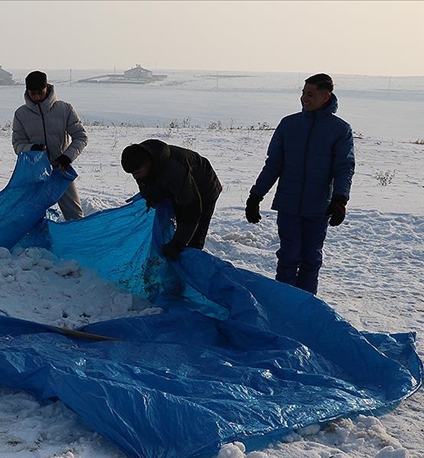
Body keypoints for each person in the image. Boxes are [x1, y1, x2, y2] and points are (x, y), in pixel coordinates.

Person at [245, 73, 355, 295]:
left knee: (311, 258)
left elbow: (344, 167)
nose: (305, 98)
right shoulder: (289, 125)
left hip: (319, 206)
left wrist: (340, 199)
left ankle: (306, 307)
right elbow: (273, 164)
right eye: (304, 93)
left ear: (326, 96)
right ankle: (285, 304)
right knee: (288, 256)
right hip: (289, 204)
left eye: (311, 94)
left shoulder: (340, 130)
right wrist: (256, 196)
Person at [121, 139, 223, 260]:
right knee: (179, 223)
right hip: (181, 187)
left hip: (205, 188)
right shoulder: (140, 161)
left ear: (148, 163)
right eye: (132, 174)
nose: (135, 176)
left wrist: (178, 243)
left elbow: (192, 208)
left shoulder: (174, 170)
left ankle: (191, 266)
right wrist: (151, 198)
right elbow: (146, 184)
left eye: (137, 172)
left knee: (193, 235)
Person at [12, 70, 88, 220]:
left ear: (47, 87)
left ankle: (77, 241)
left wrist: (67, 157)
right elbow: (18, 144)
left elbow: (81, 137)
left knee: (75, 216)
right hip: (35, 172)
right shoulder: (20, 114)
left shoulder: (65, 109)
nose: (37, 97)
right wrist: (31, 149)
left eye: (40, 92)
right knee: (29, 216)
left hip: (61, 169)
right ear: (27, 91)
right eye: (33, 93)